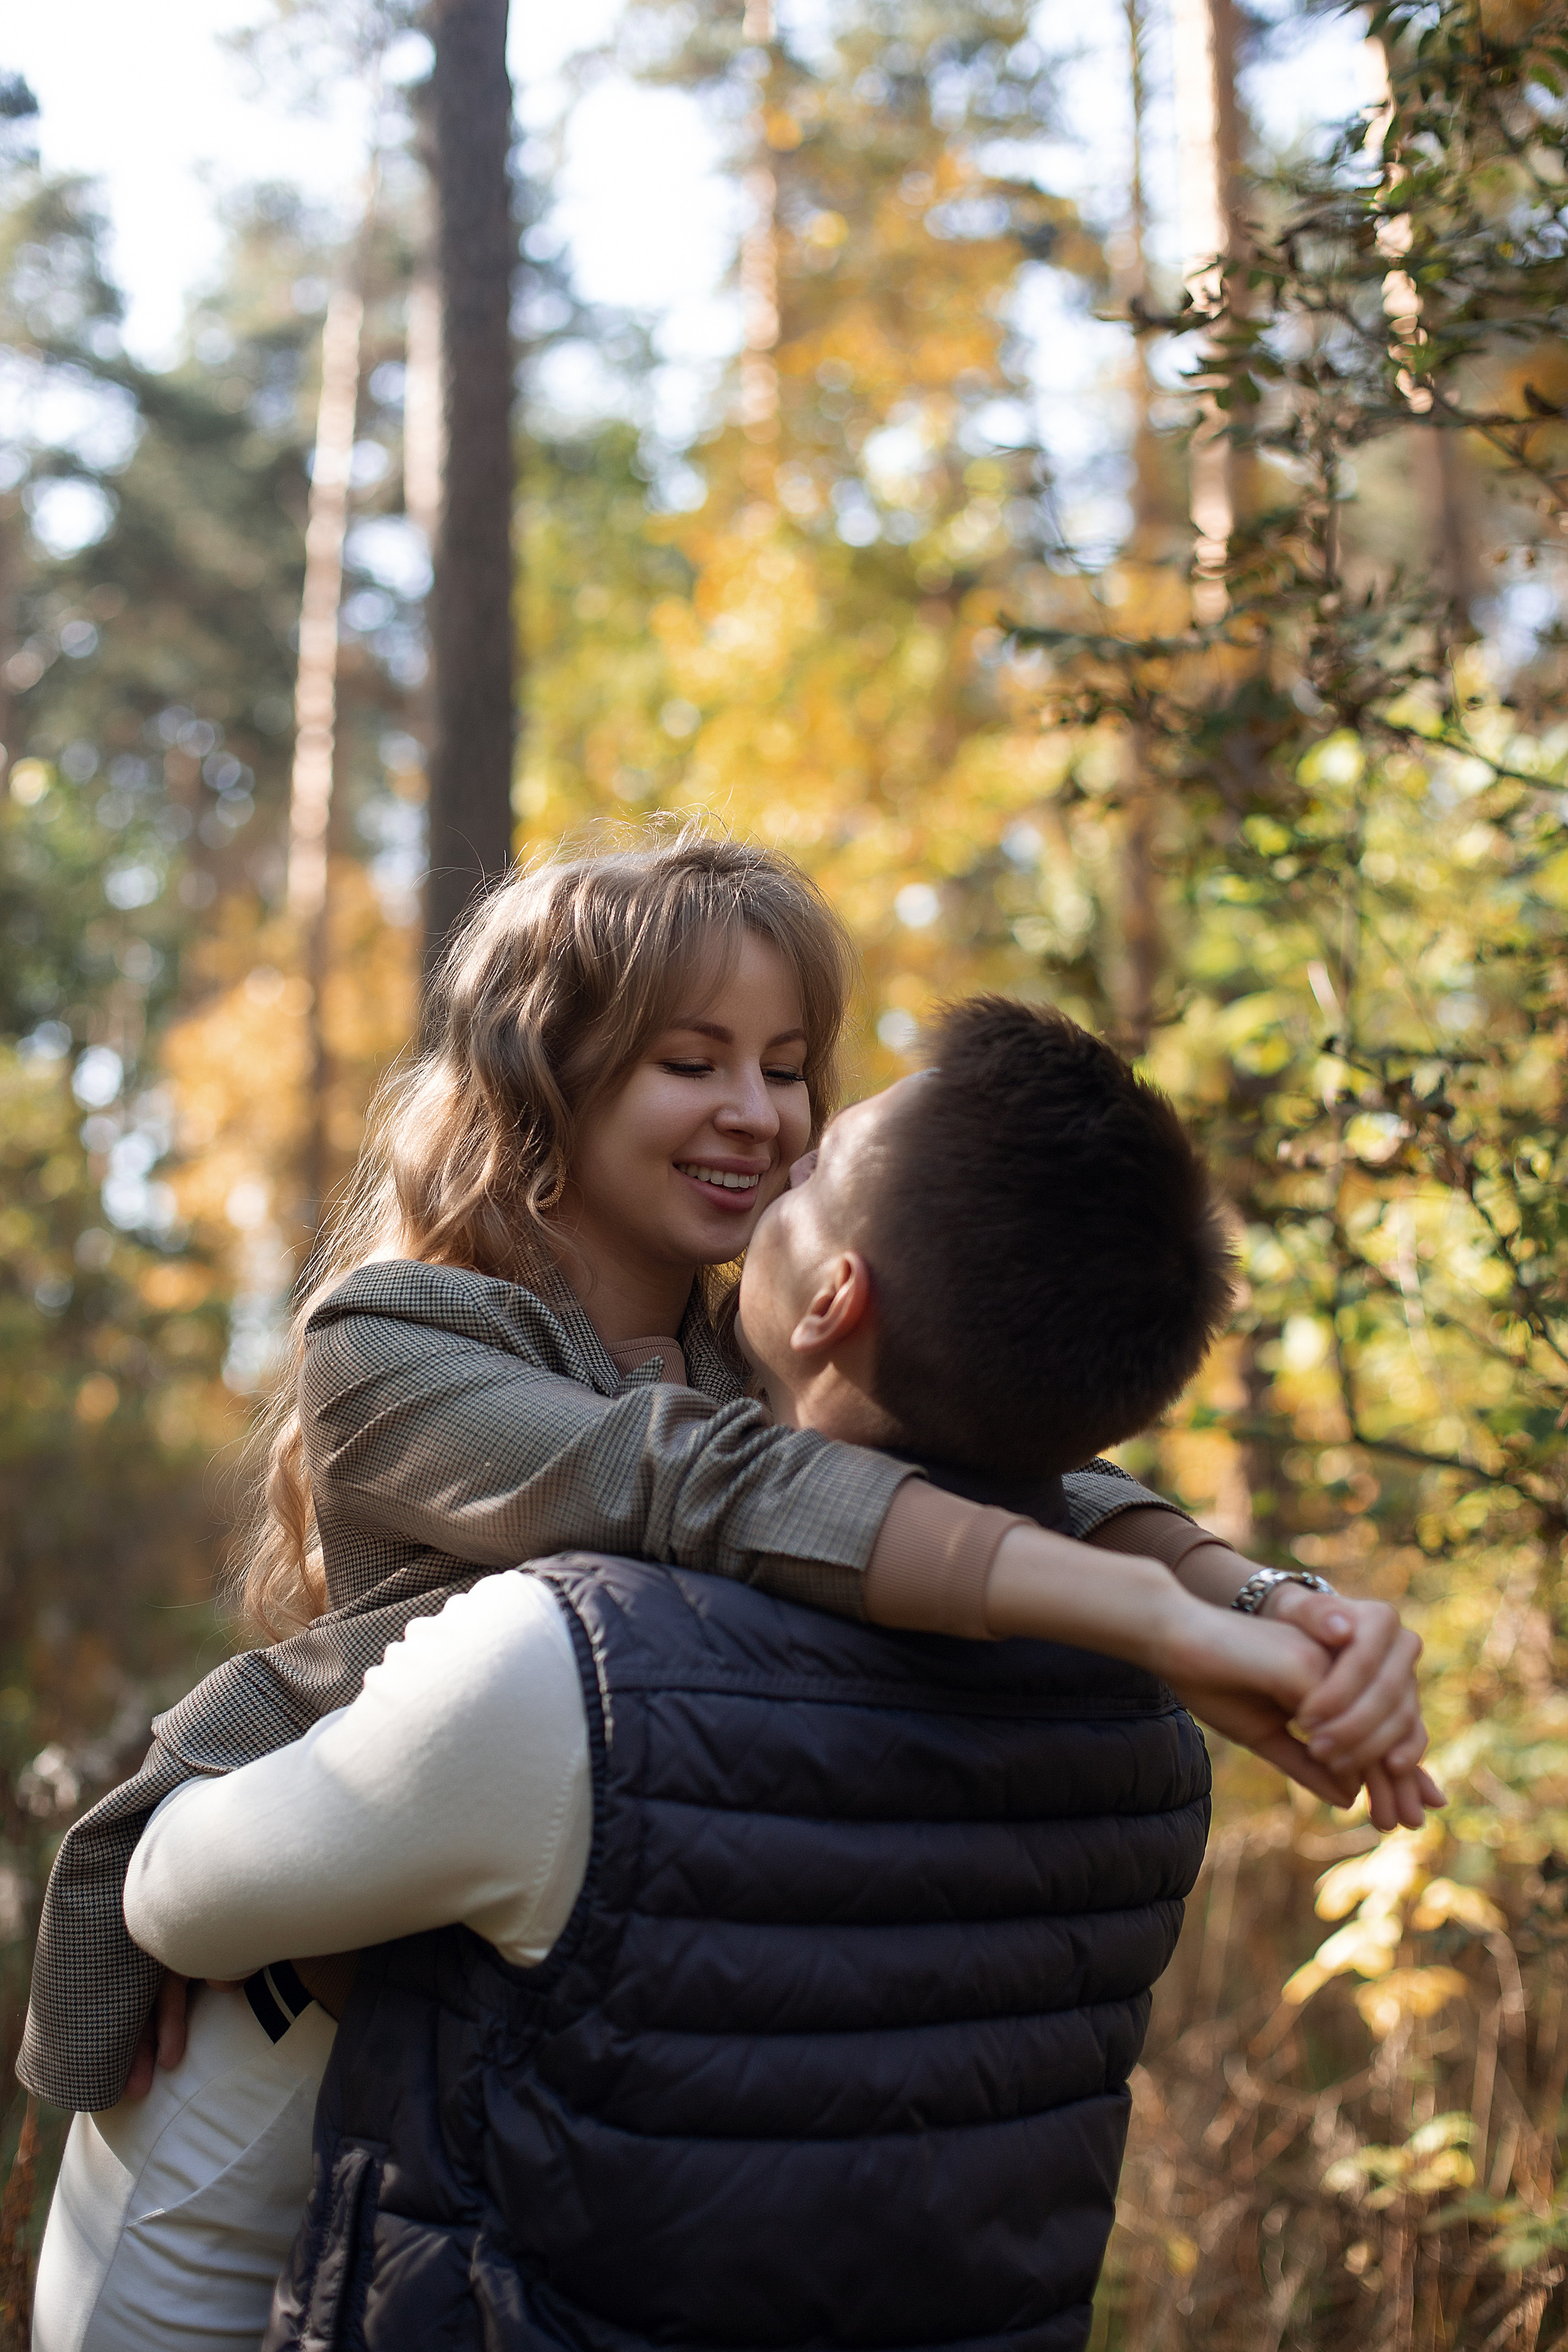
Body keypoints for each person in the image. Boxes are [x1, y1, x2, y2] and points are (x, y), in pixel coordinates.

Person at [29, 845, 1428, 2348]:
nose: (759, 1115)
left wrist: (1252, 1599)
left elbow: (1012, 1475)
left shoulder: (740, 1355)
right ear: (548, 1082)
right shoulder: (394, 1342)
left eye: (786, 1067)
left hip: (472, 2064)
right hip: (268, 2049)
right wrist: (1146, 1620)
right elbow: (691, 1484)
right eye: (690, 1063)